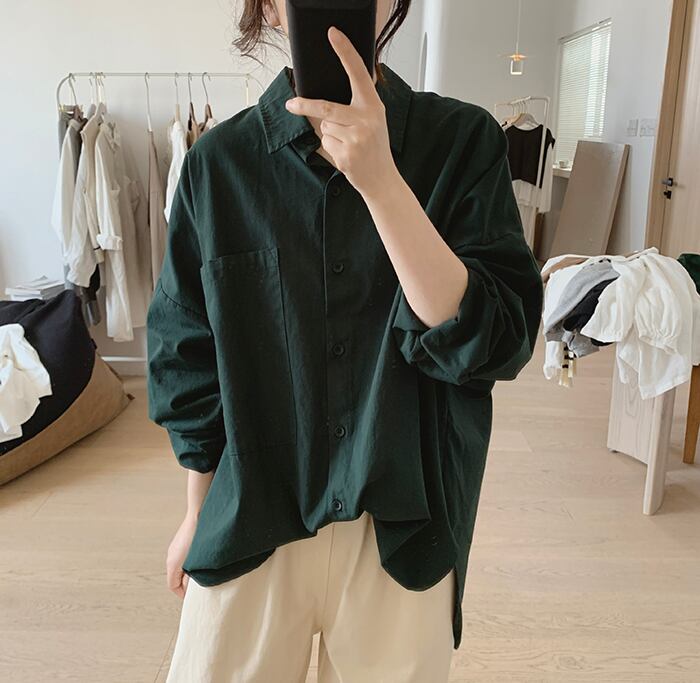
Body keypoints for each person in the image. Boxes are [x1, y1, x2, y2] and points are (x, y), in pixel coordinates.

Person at [146, 0, 544, 680]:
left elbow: (497, 340)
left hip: (406, 519)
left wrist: (383, 184)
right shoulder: (218, 166)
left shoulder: (463, 143)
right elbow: (187, 354)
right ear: (268, 9)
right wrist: (194, 511)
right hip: (251, 507)